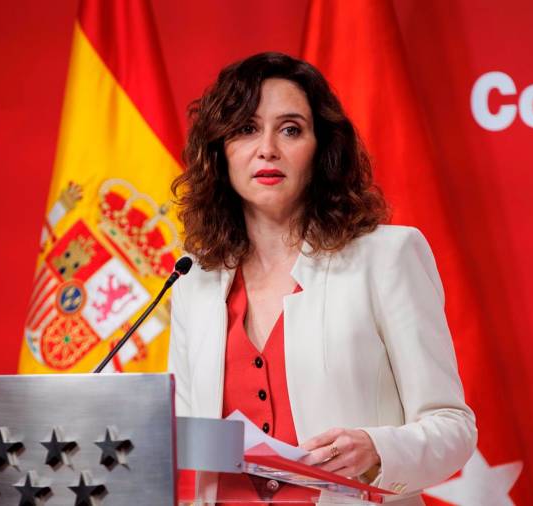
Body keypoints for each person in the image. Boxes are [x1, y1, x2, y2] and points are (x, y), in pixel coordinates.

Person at [168, 52, 476, 505]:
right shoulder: (194, 278)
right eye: (246, 129)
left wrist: (379, 450)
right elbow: (180, 436)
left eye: (290, 129)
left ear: (321, 149)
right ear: (220, 151)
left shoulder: (386, 256)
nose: (267, 148)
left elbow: (453, 427)